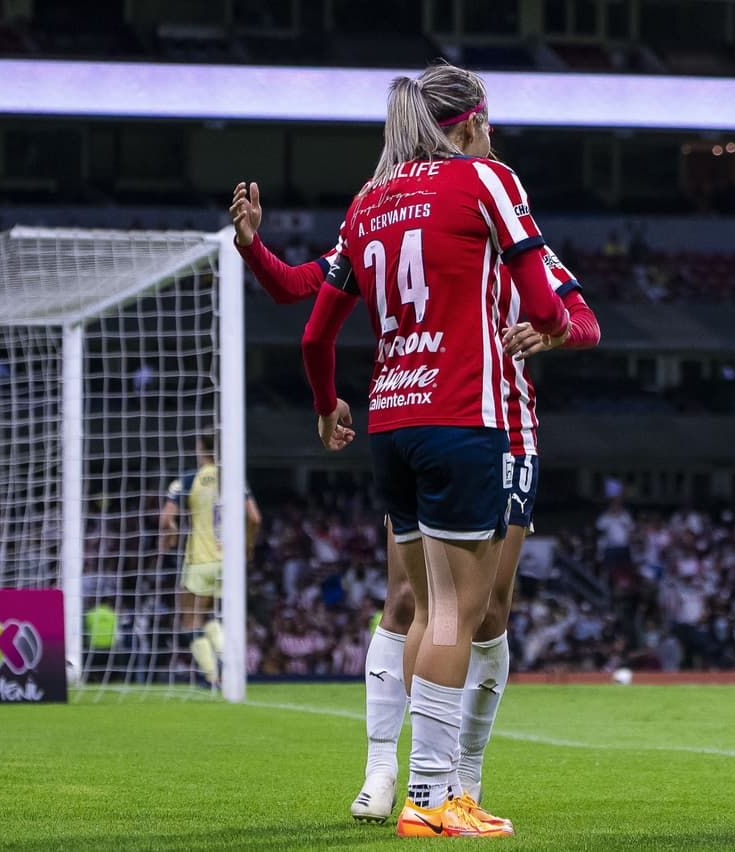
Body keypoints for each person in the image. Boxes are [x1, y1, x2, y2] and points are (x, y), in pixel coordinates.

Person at [231, 173, 598, 826]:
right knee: (407, 600)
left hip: (507, 432)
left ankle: (462, 780)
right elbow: (301, 288)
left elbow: (585, 322)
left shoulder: (521, 245)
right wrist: (255, 248)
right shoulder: (426, 232)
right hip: (438, 418)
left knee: (488, 612)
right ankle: (382, 772)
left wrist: (556, 332)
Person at [301, 64, 575, 839]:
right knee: (457, 609)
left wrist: (328, 409)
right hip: (462, 415)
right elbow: (546, 301)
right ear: (472, 121)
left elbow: (316, 330)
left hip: (390, 419)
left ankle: (405, 781)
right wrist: (548, 327)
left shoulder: (369, 200)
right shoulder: (485, 179)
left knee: (417, 606)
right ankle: (431, 797)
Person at [159, 432, 261, 687]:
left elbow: (166, 519)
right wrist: (247, 546)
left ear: (199, 447)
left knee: (190, 621)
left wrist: (170, 536)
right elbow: (255, 518)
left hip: (199, 560)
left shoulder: (187, 479)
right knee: (211, 618)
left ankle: (214, 675)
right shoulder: (235, 479)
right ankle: (232, 669)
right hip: (228, 562)